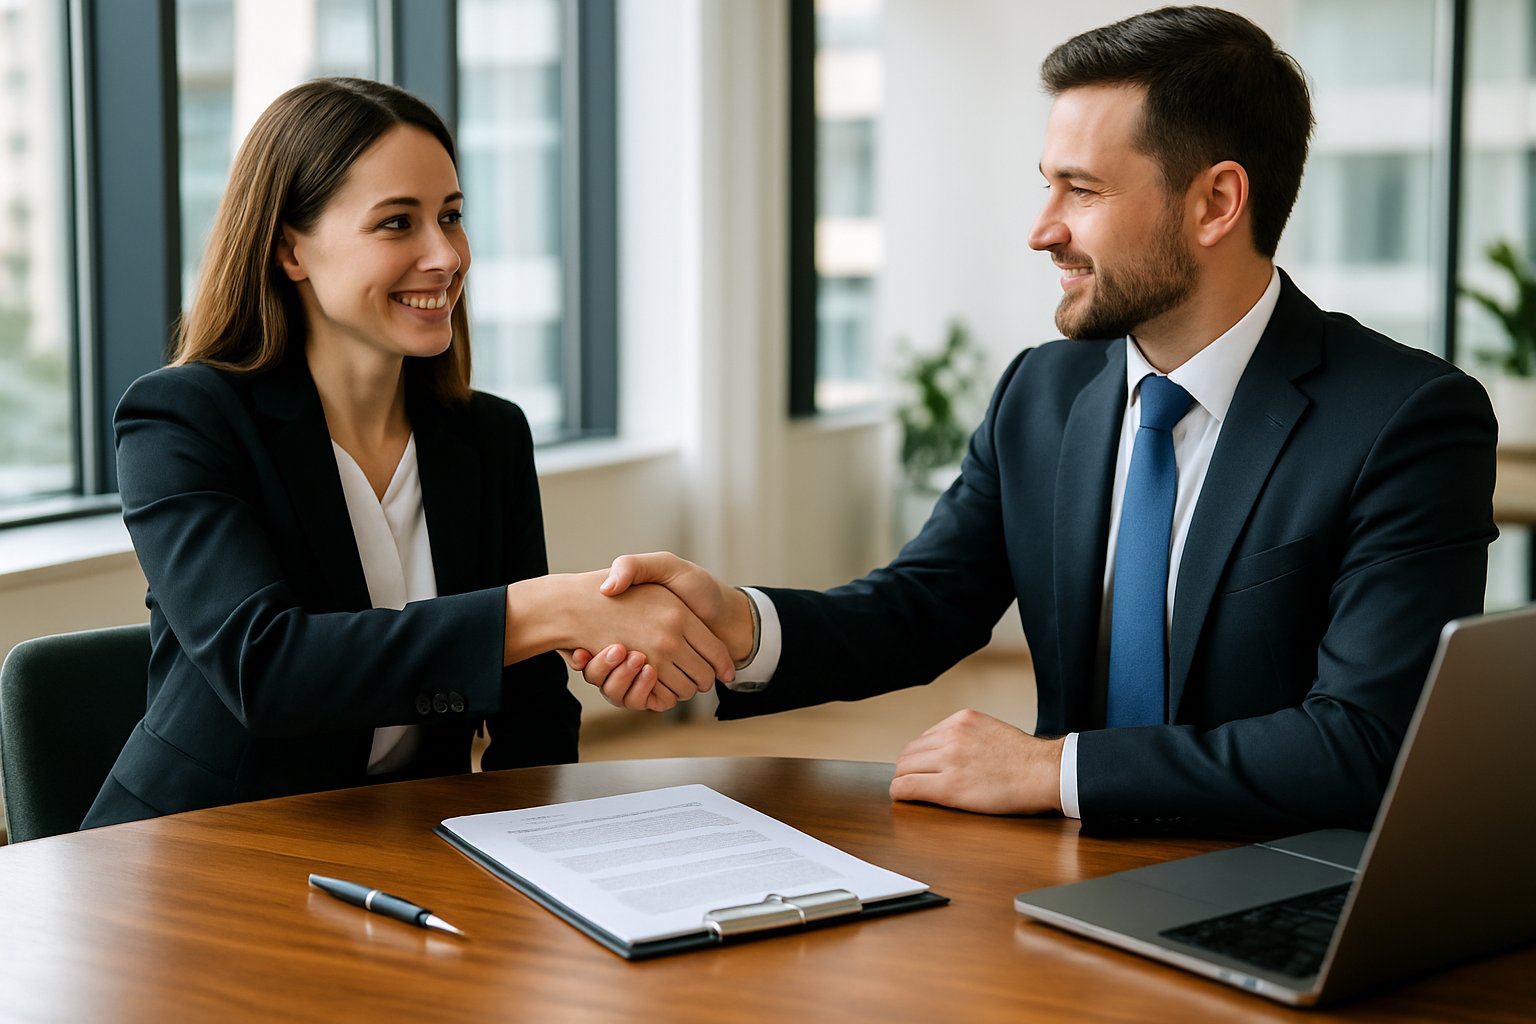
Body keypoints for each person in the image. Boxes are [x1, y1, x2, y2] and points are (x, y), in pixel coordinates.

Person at [572, 6, 1499, 834]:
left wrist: (1057, 768)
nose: (1041, 228)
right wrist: (737, 626)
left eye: (1082, 191)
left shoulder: (1406, 420)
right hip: (1058, 883)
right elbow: (923, 607)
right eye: (1046, 184)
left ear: (1216, 201)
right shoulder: (1042, 393)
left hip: (1278, 879)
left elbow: (1366, 744)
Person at [83, 78, 734, 828]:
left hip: (401, 846)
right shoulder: (184, 420)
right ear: (289, 248)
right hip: (199, 850)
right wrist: (550, 609)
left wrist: (546, 863)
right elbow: (269, 669)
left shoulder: (489, 437)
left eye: (451, 217)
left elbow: (533, 718)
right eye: (397, 223)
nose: (445, 255)